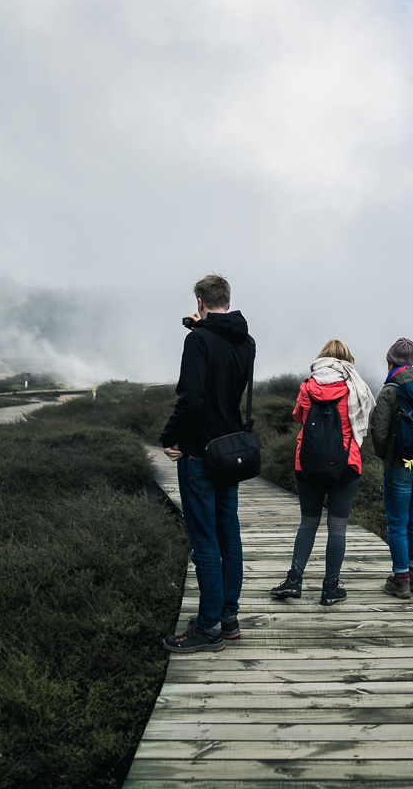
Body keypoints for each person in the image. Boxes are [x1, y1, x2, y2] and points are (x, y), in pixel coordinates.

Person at [159, 274, 255, 653]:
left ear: (199, 301)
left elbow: (192, 398)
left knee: (205, 540)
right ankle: (227, 618)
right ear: (227, 300)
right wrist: (208, 328)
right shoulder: (246, 341)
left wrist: (170, 439)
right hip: (229, 452)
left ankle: (209, 627)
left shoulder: (197, 339)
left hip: (199, 452)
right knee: (228, 533)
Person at [269, 340, 376, 606]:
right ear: (347, 360)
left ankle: (294, 581)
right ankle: (330, 588)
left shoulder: (308, 385)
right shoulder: (355, 387)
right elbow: (364, 419)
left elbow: (297, 416)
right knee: (337, 527)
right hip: (346, 464)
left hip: (307, 464)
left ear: (322, 358)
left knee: (308, 522)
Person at [369, 337, 413, 600]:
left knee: (397, 523)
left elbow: (379, 431)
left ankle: (401, 580)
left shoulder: (390, 391)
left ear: (390, 362)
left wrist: (385, 456)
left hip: (400, 466)